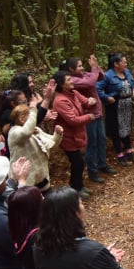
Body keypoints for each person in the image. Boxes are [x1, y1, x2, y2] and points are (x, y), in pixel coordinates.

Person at [60, 56, 115, 184]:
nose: (82, 68)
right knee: (92, 143)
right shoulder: (73, 80)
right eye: (79, 66)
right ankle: (92, 171)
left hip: (97, 113)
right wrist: (94, 69)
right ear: (71, 69)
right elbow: (90, 82)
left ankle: (102, 164)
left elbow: (100, 77)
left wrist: (96, 67)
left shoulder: (84, 74)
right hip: (88, 115)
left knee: (102, 140)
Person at [52, 70, 96, 199]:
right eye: (68, 80)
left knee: (79, 162)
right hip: (68, 137)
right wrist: (89, 117)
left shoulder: (74, 93)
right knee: (77, 162)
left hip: (77, 134)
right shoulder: (60, 101)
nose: (72, 81)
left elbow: (85, 101)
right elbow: (72, 120)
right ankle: (75, 189)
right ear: (61, 84)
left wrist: (91, 101)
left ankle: (79, 186)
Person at [7, 101, 63, 190]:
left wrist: (57, 134)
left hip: (42, 177)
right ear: (21, 119)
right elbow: (25, 133)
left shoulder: (35, 129)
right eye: (30, 115)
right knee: (31, 198)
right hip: (25, 181)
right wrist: (33, 110)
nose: (33, 118)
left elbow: (52, 143)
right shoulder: (14, 132)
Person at [97, 52, 134, 166]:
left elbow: (133, 83)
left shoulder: (127, 72)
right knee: (116, 129)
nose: (126, 64)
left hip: (127, 104)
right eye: (123, 62)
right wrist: (107, 97)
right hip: (115, 105)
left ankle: (128, 149)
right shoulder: (107, 75)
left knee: (126, 126)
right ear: (116, 64)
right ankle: (119, 153)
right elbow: (97, 88)